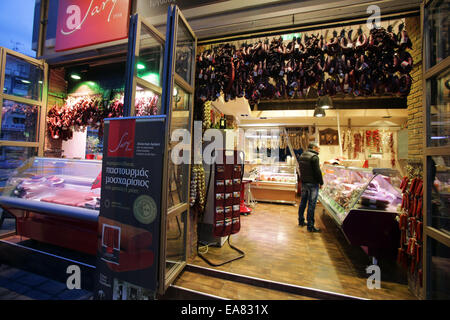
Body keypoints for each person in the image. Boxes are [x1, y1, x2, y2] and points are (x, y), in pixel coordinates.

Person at [298, 143, 323, 232]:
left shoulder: (302, 155)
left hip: (304, 183)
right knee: (312, 204)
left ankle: (301, 221)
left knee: (303, 202)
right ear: (314, 148)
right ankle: (310, 226)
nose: (319, 150)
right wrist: (321, 182)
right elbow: (317, 171)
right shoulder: (314, 157)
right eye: (318, 148)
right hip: (313, 184)